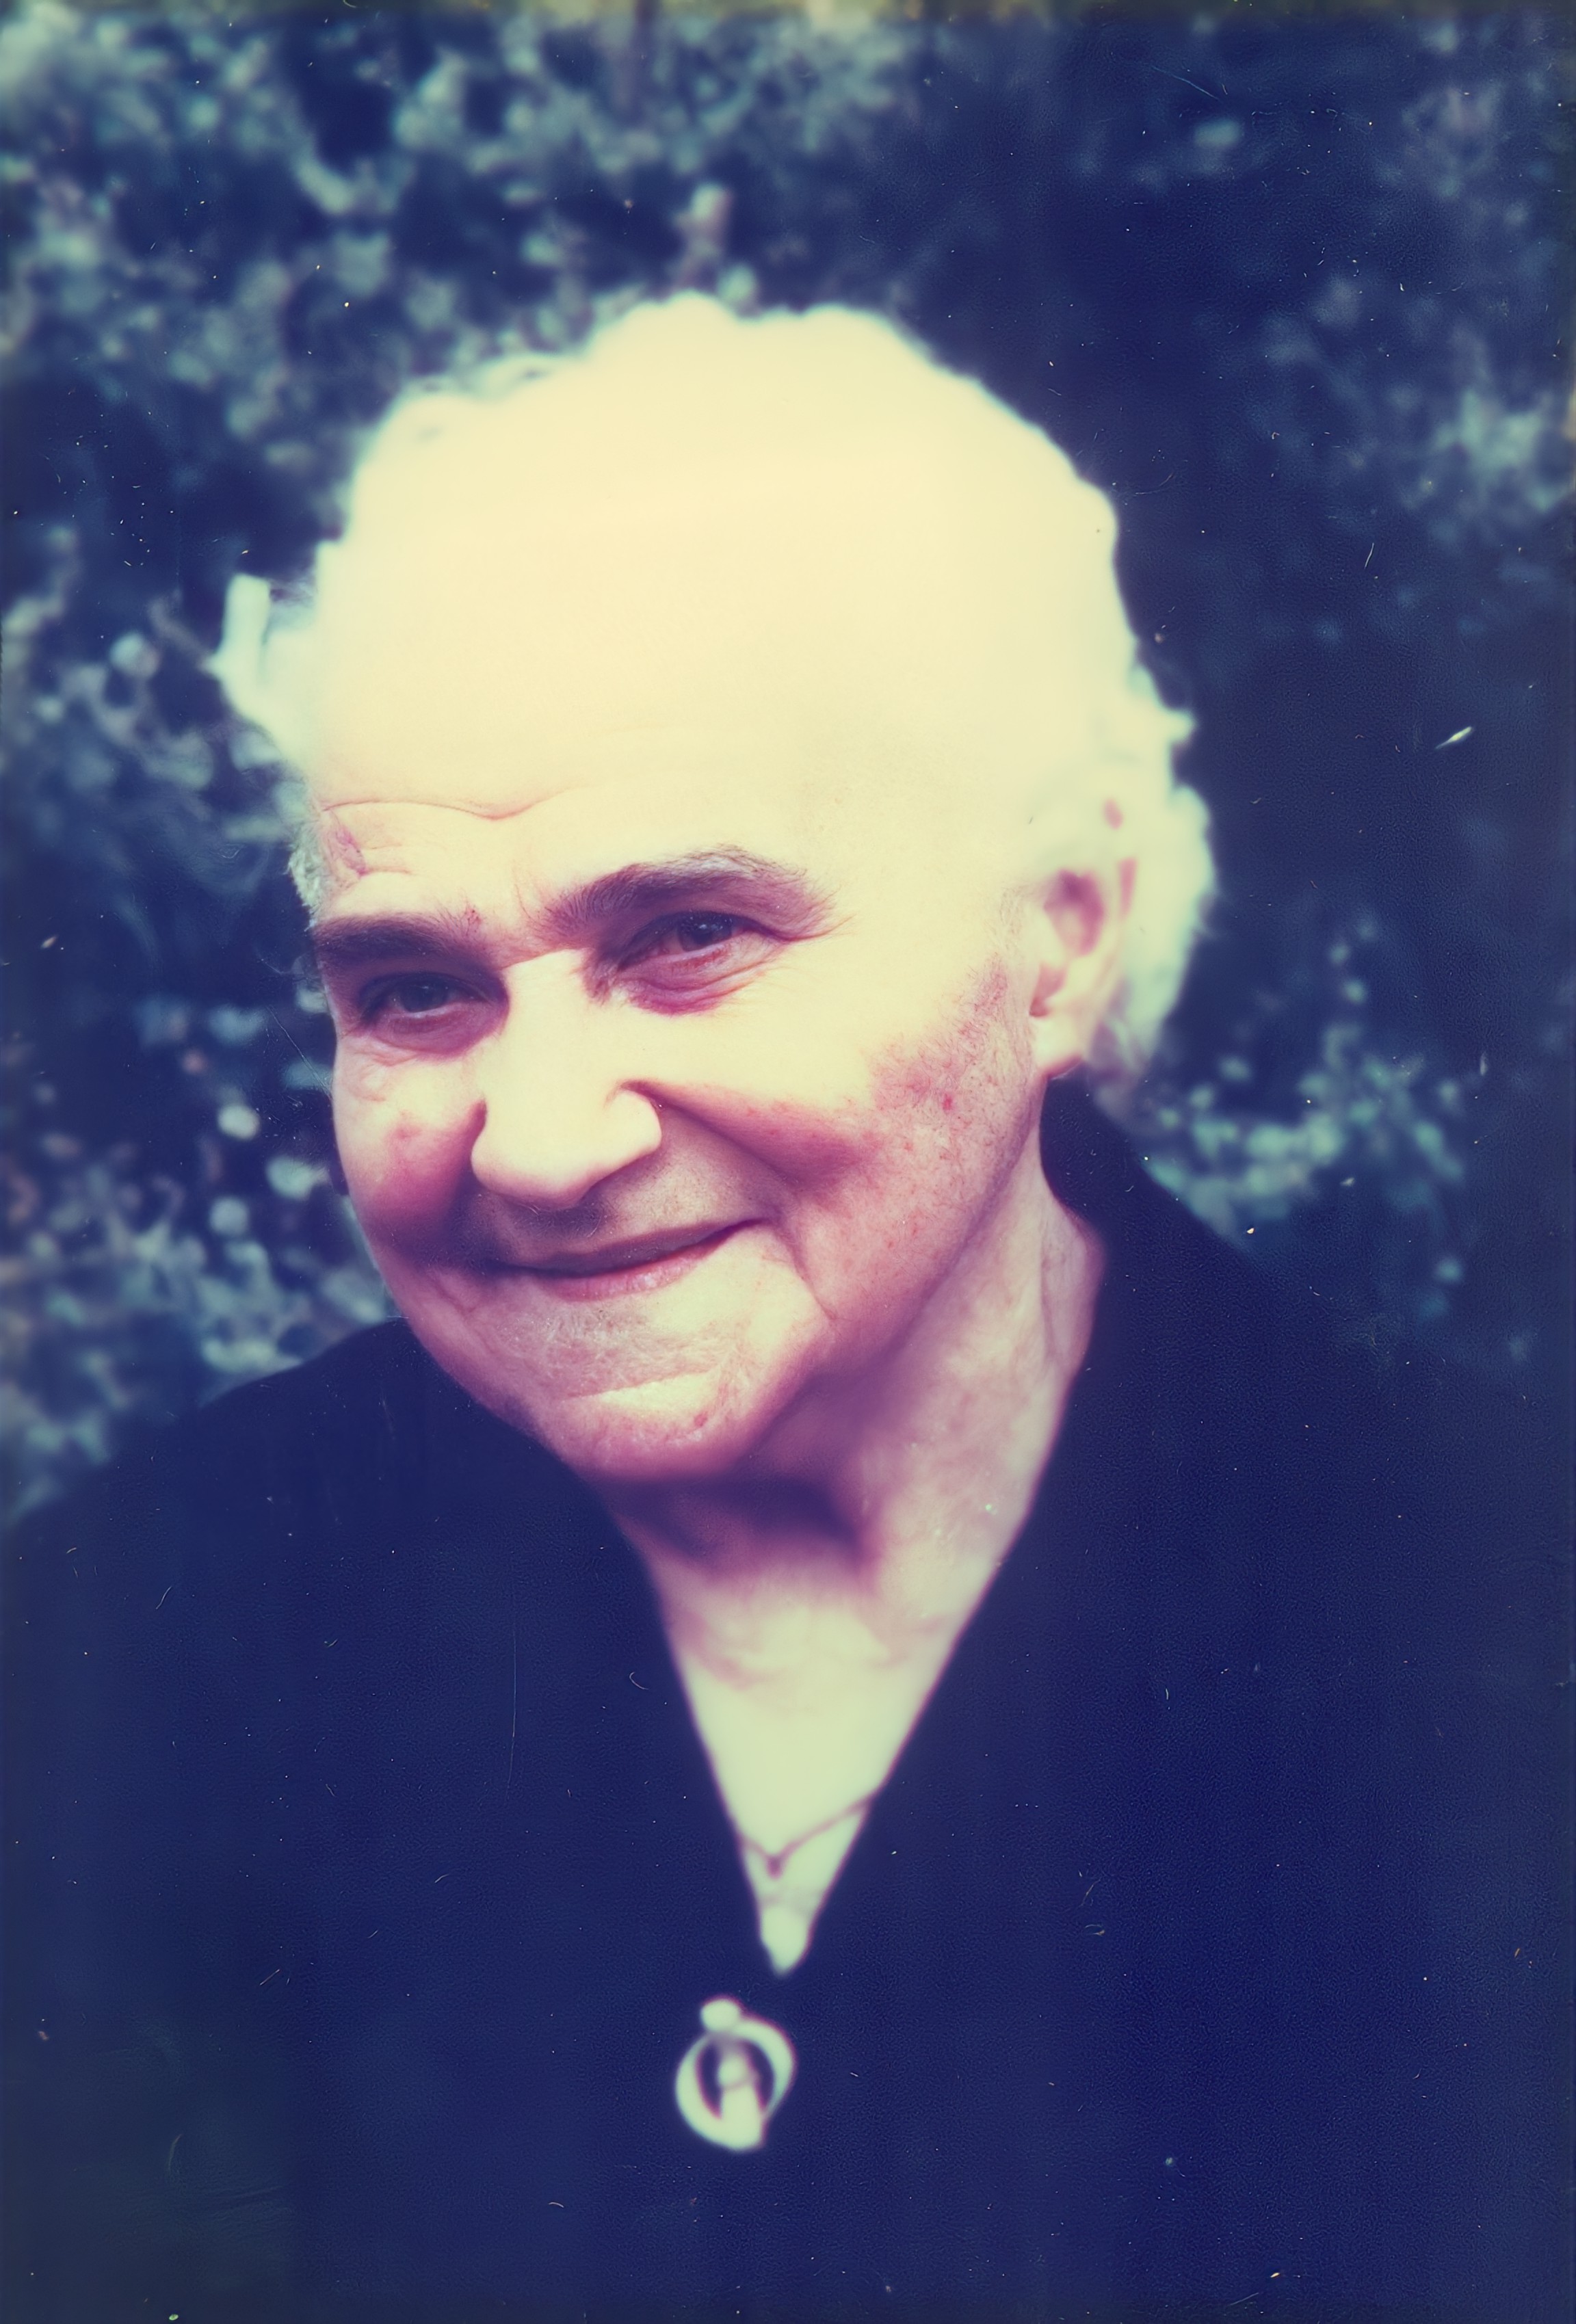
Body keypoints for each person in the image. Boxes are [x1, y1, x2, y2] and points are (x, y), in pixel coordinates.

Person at [5, 298, 1564, 2323]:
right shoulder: (126, 1641)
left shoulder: (1493, 1626)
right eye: (416, 990)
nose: (538, 1141)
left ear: (1061, 941)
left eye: (689, 936)